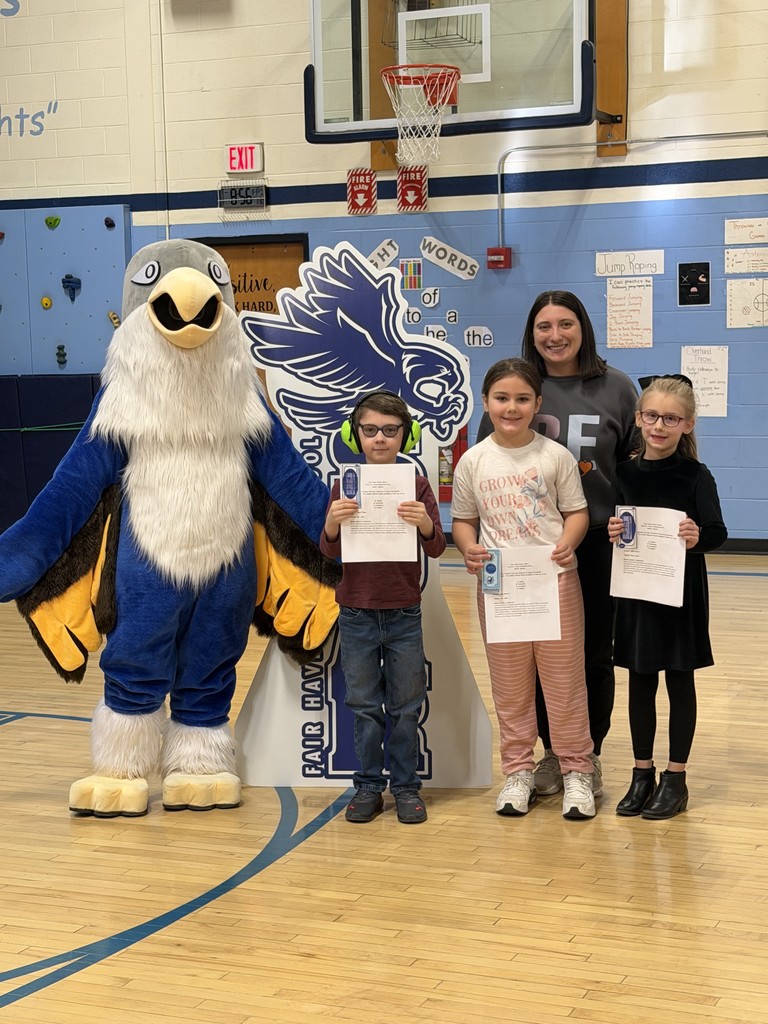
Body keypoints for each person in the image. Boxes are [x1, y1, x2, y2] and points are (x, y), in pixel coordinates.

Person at [479, 291, 638, 798]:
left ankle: (585, 757)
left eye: (565, 324)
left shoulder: (615, 387)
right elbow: (487, 471)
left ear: (582, 327)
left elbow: (638, 467)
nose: (555, 335)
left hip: (595, 543)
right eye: (544, 326)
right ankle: (549, 756)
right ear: (532, 332)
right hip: (529, 553)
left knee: (591, 654)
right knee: (534, 654)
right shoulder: (517, 385)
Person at [452, 358, 596, 820]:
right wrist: (469, 548)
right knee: (510, 686)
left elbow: (577, 513)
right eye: (501, 398)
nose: (510, 407)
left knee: (564, 684)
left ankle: (577, 770)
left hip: (553, 583)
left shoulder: (555, 456)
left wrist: (568, 543)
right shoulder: (473, 461)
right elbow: (463, 521)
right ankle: (518, 771)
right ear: (485, 402)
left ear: (537, 403)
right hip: (499, 589)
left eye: (521, 398)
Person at [320, 391, 446, 825]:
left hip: (403, 613)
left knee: (407, 705)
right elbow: (327, 549)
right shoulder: (345, 482)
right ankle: (369, 786)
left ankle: (407, 787)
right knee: (363, 704)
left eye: (390, 431)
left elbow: (438, 545)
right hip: (355, 612)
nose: (379, 439)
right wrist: (333, 523)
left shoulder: (416, 483)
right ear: (354, 436)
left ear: (405, 435)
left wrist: (426, 522)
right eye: (370, 430)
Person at [607, 374, 727, 819]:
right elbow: (615, 528)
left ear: (688, 424)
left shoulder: (696, 475)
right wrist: (612, 531)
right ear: (638, 418)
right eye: (652, 416)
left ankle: (675, 778)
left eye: (671, 418)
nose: (659, 425)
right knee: (639, 679)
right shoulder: (624, 473)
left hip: (681, 595)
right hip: (637, 593)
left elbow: (717, 532)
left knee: (679, 678)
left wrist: (698, 536)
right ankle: (642, 773)